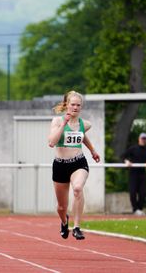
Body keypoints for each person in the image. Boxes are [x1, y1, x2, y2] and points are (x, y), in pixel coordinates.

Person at [47, 90, 100, 240]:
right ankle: (64, 221)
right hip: (60, 165)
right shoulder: (57, 121)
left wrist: (93, 151)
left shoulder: (85, 124)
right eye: (73, 104)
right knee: (61, 207)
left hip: (78, 162)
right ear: (66, 105)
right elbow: (52, 142)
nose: (75, 107)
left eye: (78, 105)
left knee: (77, 188)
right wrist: (64, 123)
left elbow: (82, 136)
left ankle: (77, 227)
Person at [122, 133, 146, 216]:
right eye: (142, 138)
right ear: (139, 139)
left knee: (143, 192)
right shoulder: (133, 148)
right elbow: (123, 156)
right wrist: (126, 161)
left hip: (142, 174)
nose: (143, 140)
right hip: (133, 174)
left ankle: (139, 209)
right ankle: (135, 209)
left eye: (145, 139)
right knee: (133, 192)